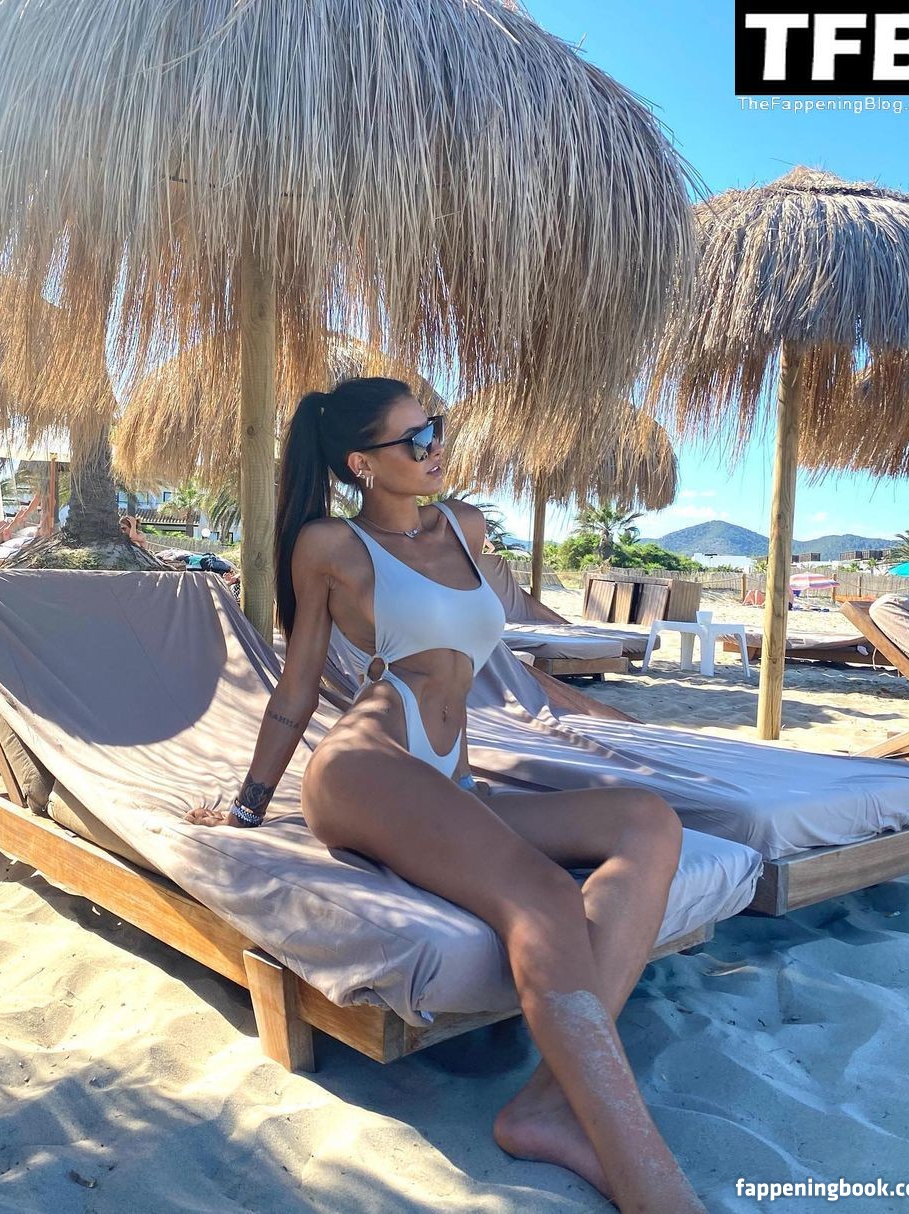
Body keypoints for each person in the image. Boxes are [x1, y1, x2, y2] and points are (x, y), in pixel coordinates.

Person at [186, 378, 701, 1212]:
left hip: (448, 778)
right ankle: (652, 1182)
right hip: (366, 764)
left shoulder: (466, 526)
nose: (435, 449)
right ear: (361, 463)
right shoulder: (329, 543)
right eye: (414, 440)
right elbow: (297, 686)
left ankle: (546, 1105)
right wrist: (249, 804)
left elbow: (497, 646)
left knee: (647, 821)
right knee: (541, 895)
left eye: (435, 429)